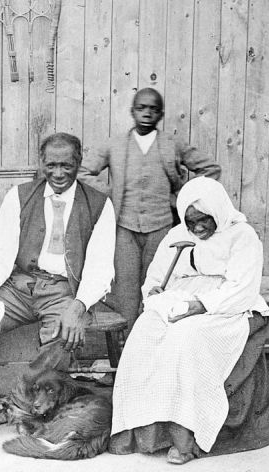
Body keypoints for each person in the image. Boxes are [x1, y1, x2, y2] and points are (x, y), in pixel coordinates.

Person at [0, 132, 116, 438]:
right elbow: (0, 250)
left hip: (64, 290)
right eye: (51, 165)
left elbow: (100, 264)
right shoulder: (19, 196)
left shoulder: (98, 205)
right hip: (20, 284)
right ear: (41, 163)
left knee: (63, 335)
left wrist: (79, 307)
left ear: (79, 163)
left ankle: (19, 402)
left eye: (66, 165)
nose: (58, 173)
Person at [109, 177, 269, 465]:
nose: (198, 228)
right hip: (178, 302)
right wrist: (155, 295)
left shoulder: (242, 235)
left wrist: (200, 305)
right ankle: (140, 433)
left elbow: (242, 289)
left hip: (228, 307)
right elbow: (155, 279)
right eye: (190, 221)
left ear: (218, 211)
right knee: (142, 334)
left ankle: (185, 440)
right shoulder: (176, 235)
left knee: (184, 339)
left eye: (204, 220)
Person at [79, 88, 221, 333]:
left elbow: (210, 169)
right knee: (125, 288)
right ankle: (127, 345)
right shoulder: (115, 145)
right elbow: (82, 173)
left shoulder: (172, 144)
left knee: (159, 284)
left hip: (162, 226)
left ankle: (155, 338)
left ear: (161, 114)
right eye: (141, 108)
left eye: (153, 109)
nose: (147, 113)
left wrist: (183, 198)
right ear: (132, 111)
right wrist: (110, 192)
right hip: (125, 227)